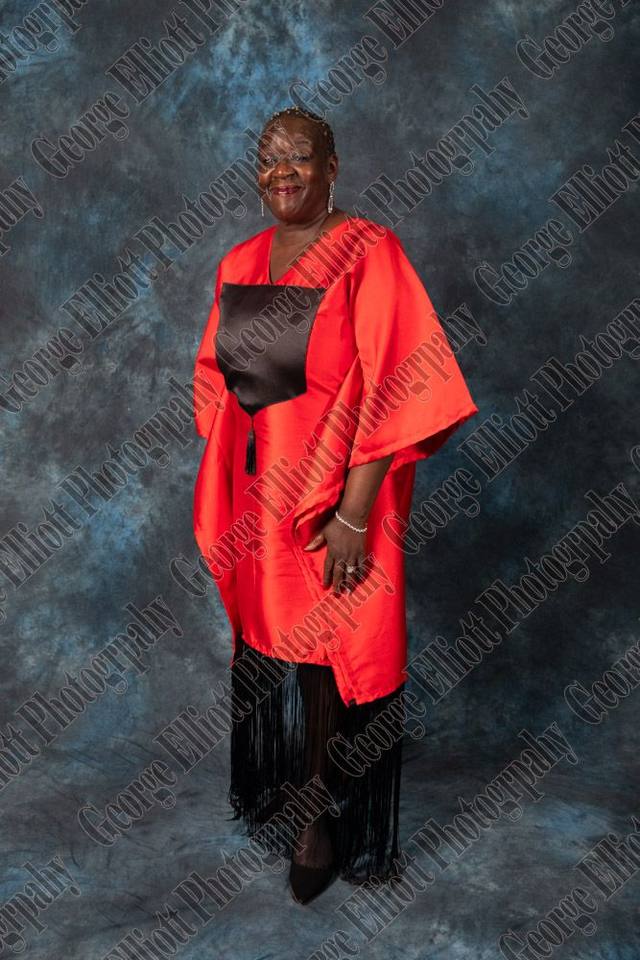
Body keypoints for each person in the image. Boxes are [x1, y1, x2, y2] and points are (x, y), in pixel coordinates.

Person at [193, 106, 479, 904]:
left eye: (299, 156)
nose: (281, 170)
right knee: (277, 643)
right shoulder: (240, 259)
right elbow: (217, 382)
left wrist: (354, 513)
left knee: (331, 648)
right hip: (261, 497)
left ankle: (319, 814)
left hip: (338, 497)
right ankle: (293, 784)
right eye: (267, 157)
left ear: (333, 166)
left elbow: (402, 378)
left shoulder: (368, 250)